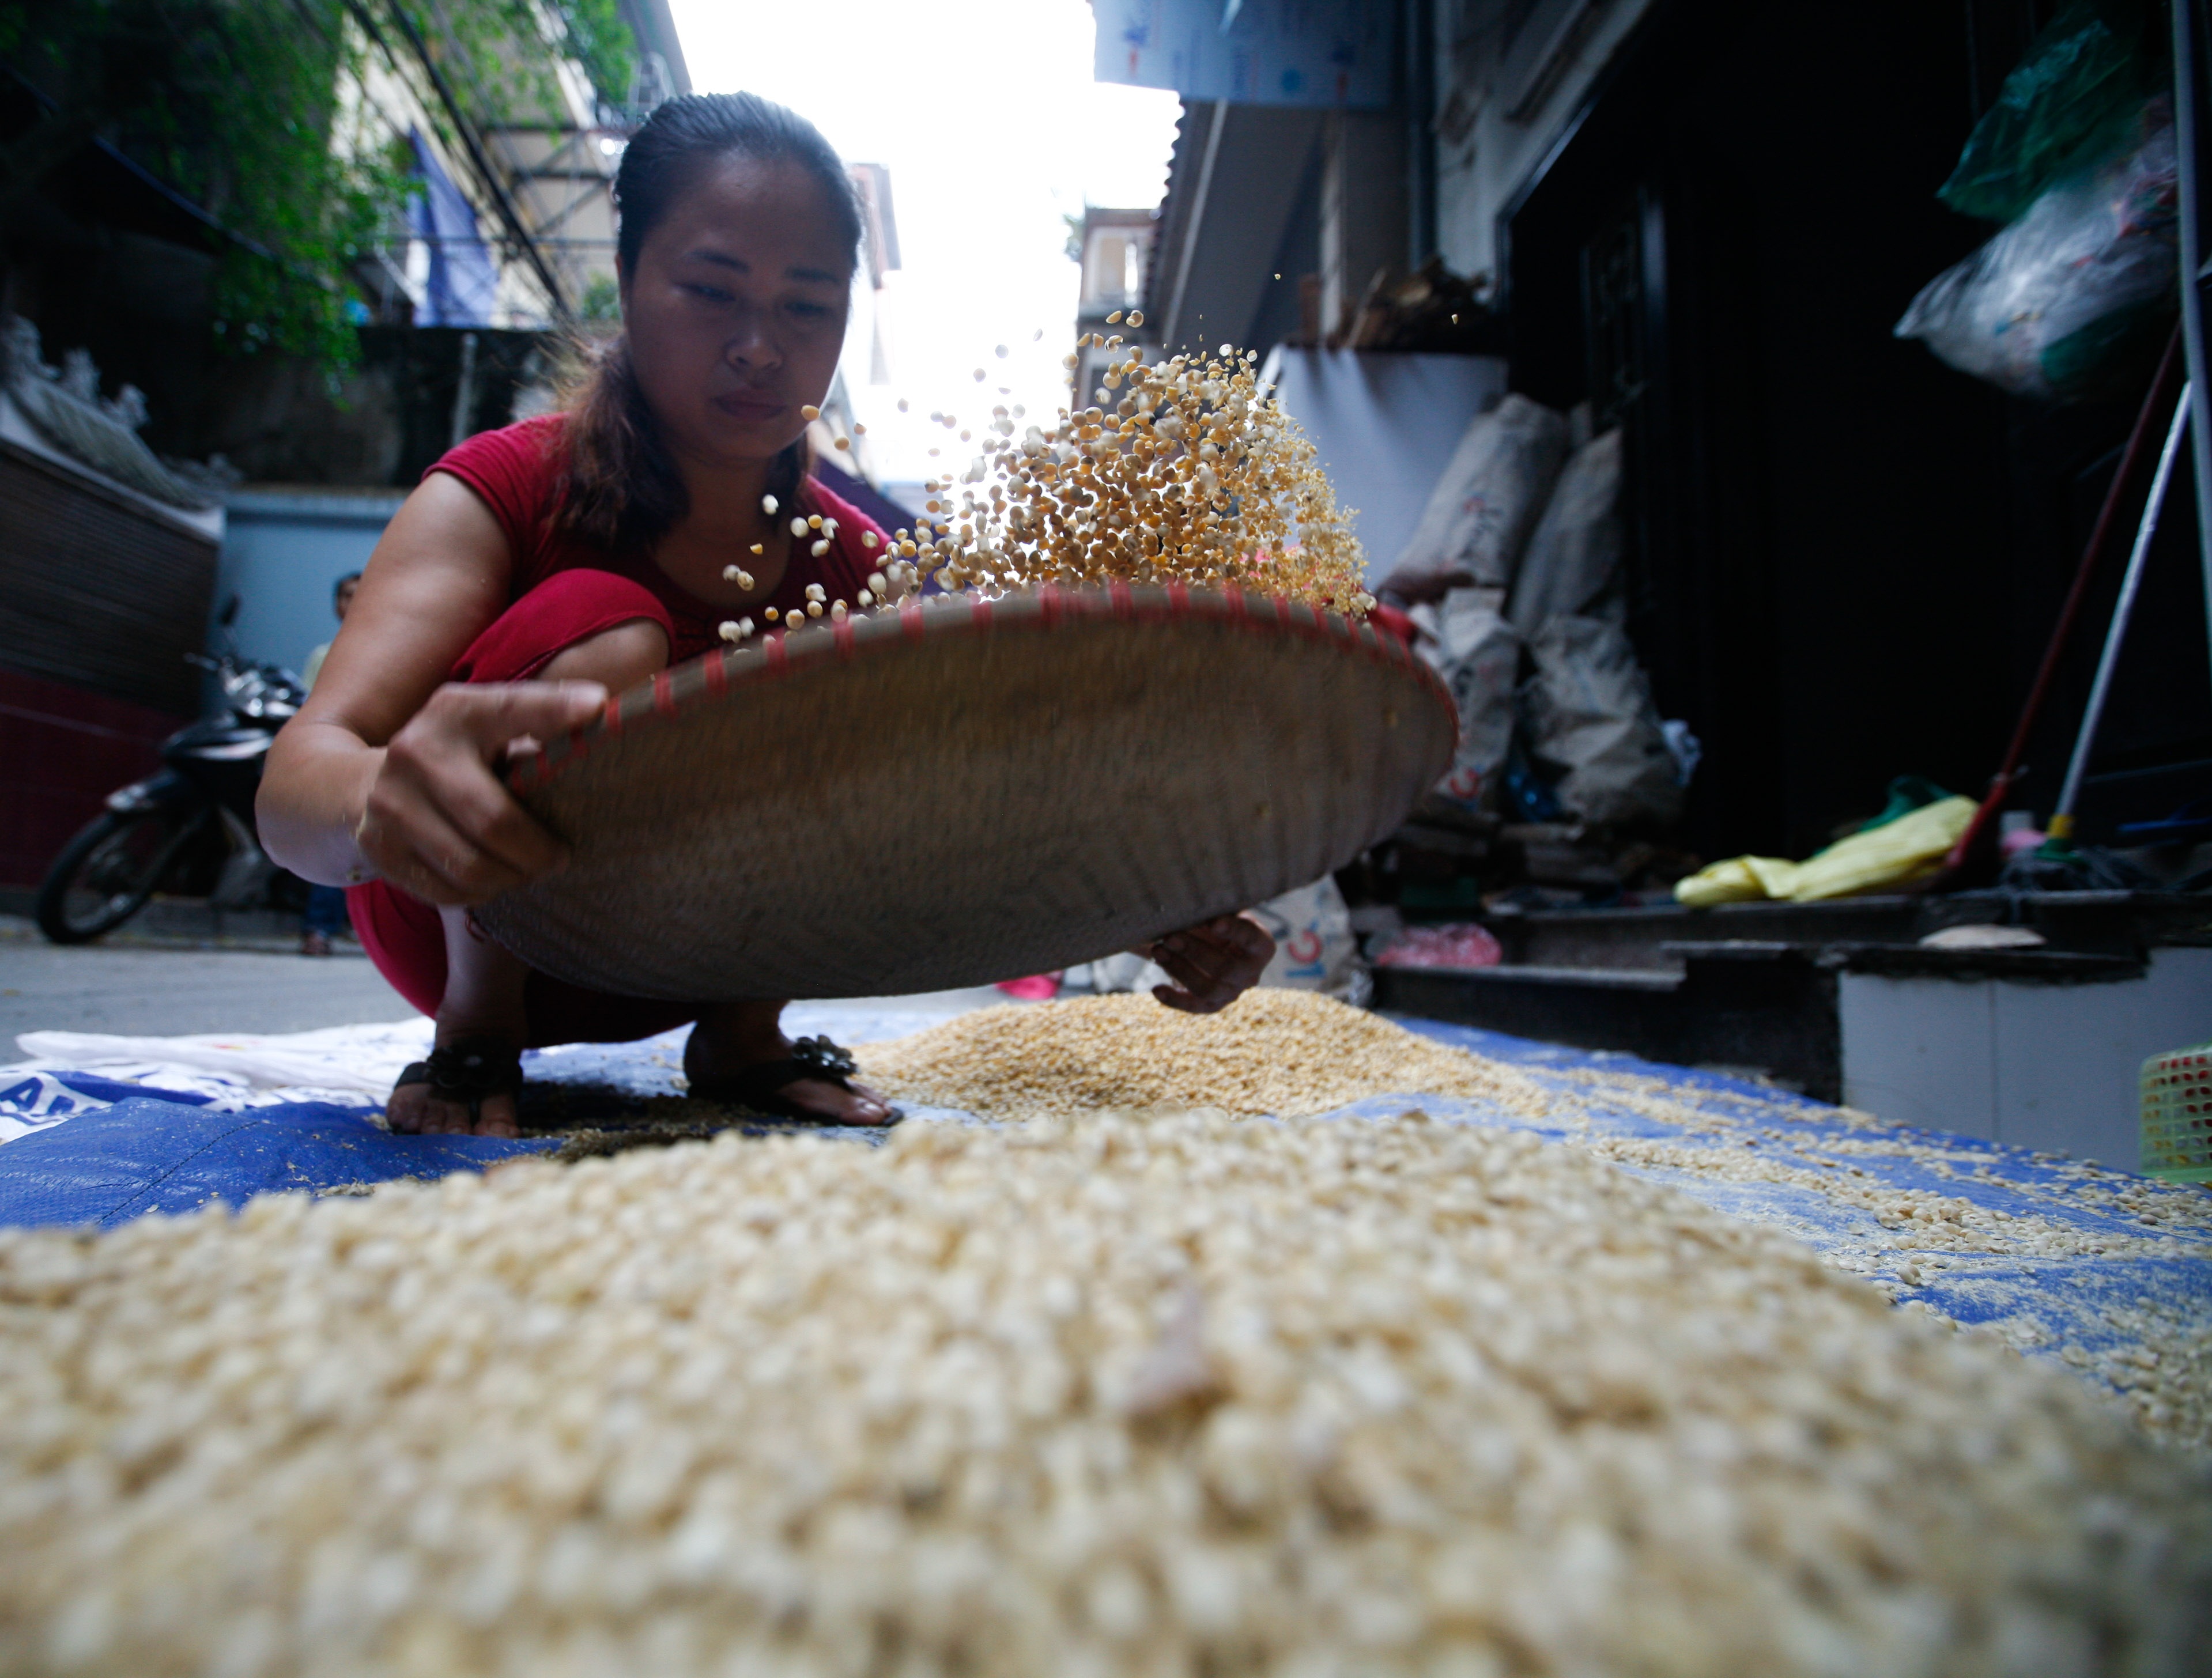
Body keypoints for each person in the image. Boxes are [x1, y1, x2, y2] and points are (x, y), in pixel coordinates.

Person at [258, 92, 1273, 1140]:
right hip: (449, 920)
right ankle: (478, 1035)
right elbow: (294, 788)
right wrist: (382, 796)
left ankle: (743, 1039)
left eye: (806, 306)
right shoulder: (502, 489)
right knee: (609, 624)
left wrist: (1150, 906)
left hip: (679, 966)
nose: (758, 347)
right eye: (710, 291)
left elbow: (953, 822)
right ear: (628, 281)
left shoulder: (858, 567)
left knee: (852, 687)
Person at [297, 572, 361, 956]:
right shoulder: (324, 656)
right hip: (333, 757)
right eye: (347, 595)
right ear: (337, 604)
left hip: (369, 754)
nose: (353, 602)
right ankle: (321, 928)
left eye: (360, 594)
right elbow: (308, 706)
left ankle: (337, 925)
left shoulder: (394, 650)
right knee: (334, 842)